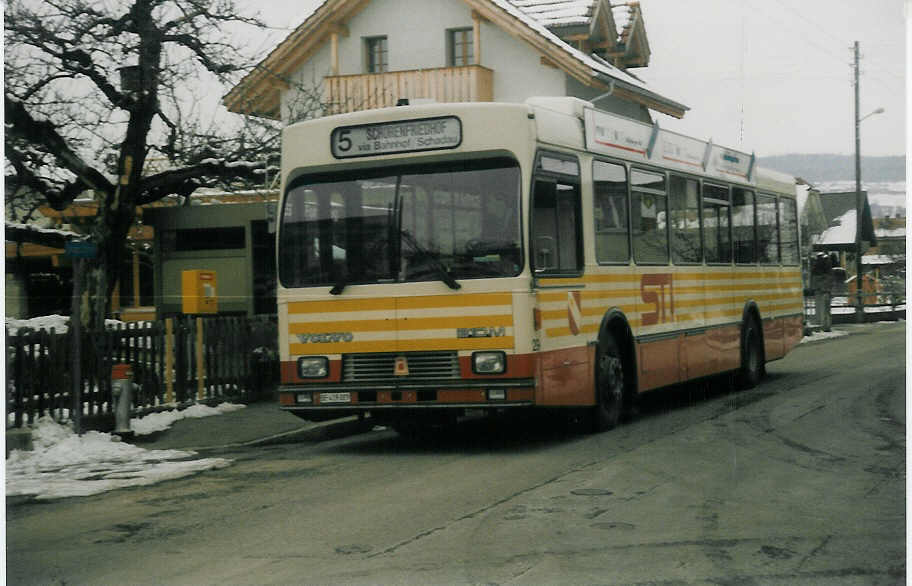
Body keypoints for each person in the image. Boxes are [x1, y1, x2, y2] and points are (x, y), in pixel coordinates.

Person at [810, 252, 834, 332]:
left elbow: (813, 275)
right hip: (826, 289)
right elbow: (830, 278)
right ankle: (826, 325)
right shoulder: (828, 266)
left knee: (819, 308)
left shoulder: (816, 267)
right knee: (826, 308)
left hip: (818, 289)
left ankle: (820, 324)